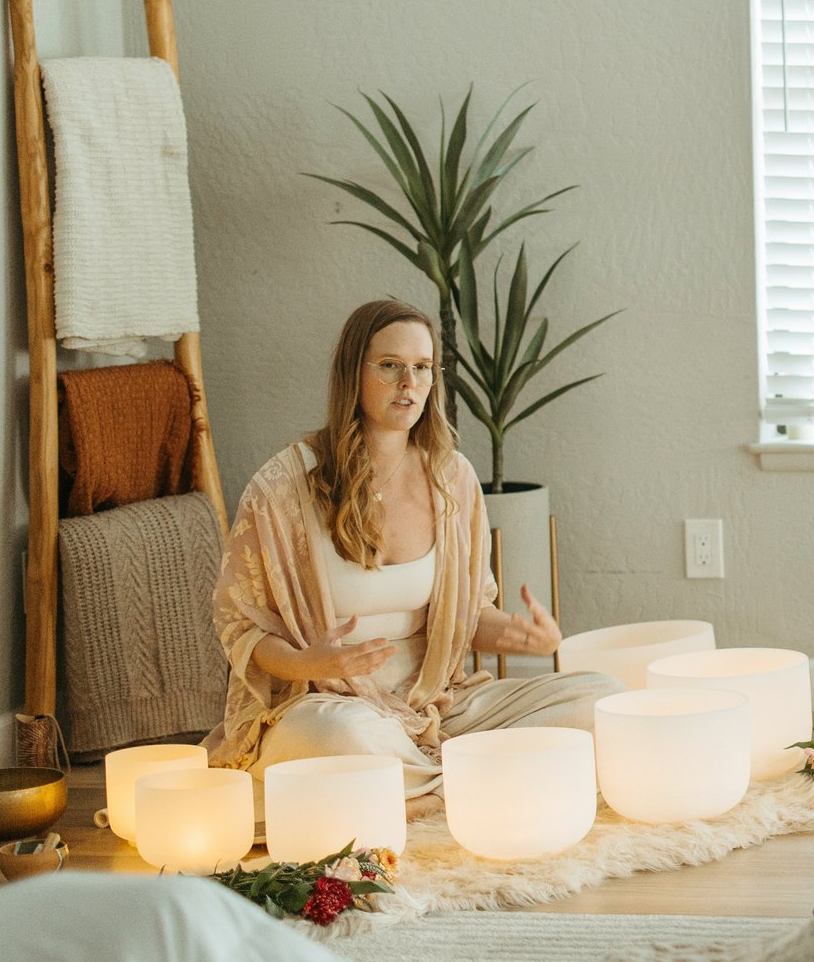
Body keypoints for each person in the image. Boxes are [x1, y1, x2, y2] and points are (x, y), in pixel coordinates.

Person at [203, 297, 621, 800]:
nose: (409, 383)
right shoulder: (282, 487)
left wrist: (520, 636)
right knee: (332, 741)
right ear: (353, 373)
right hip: (332, 705)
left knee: (601, 700)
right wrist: (311, 664)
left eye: (422, 368)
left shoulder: (452, 478)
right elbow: (242, 628)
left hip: (436, 705)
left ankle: (425, 786)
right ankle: (478, 783)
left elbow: (467, 618)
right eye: (390, 365)